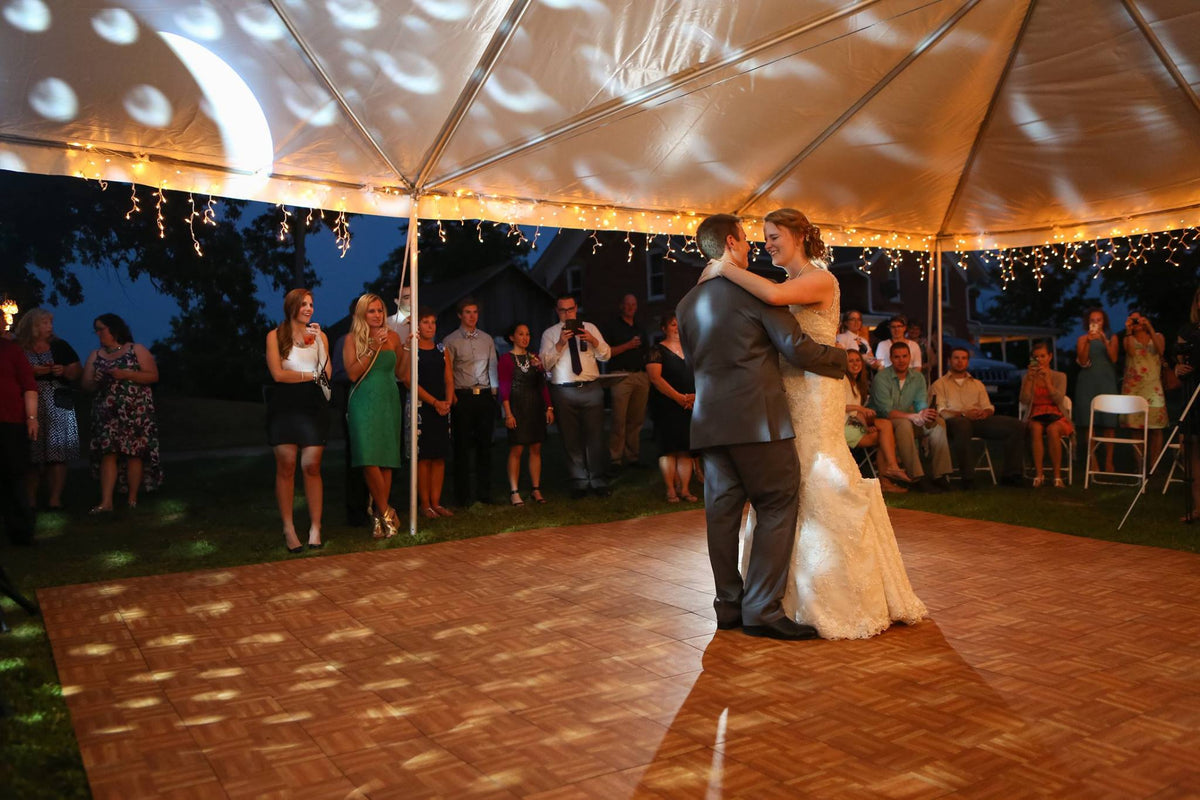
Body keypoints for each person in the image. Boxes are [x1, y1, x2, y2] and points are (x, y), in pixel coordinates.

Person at [698, 209, 927, 640]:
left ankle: (833, 593)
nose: (766, 244)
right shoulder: (782, 285)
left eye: (773, 236)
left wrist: (721, 269)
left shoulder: (821, 278)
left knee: (818, 475)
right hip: (783, 393)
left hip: (816, 390)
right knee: (787, 487)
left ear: (800, 235)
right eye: (761, 237)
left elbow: (768, 297)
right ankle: (781, 595)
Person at [264, 290, 330, 552]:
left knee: (312, 465)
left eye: (311, 304)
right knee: (287, 464)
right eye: (303, 304)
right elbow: (279, 375)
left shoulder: (319, 336)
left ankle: (316, 527)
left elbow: (326, 374)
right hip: (284, 406)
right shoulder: (275, 336)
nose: (308, 308)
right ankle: (289, 528)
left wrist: (320, 345)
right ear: (291, 306)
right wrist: (310, 376)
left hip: (313, 406)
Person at [81, 313, 163, 515]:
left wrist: (126, 374)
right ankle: (106, 501)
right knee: (108, 452)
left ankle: (132, 498)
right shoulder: (96, 355)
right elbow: (86, 385)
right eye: (96, 329)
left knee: (134, 452)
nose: (98, 333)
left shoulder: (136, 350)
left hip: (134, 410)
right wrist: (96, 380)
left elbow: (153, 375)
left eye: (101, 328)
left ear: (113, 329)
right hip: (107, 412)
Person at [540, 294, 613, 498]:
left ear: (576, 308)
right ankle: (579, 481)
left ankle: (597, 480)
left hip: (591, 387)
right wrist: (560, 344)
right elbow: (544, 363)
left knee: (595, 436)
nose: (567, 313)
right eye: (563, 310)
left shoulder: (589, 327)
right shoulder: (550, 334)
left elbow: (606, 354)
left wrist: (594, 341)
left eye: (570, 309)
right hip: (564, 390)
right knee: (570, 437)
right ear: (557, 311)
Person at [344, 293, 404, 538]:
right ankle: (387, 511)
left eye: (380, 310)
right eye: (372, 311)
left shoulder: (394, 337)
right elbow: (352, 374)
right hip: (363, 400)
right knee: (368, 457)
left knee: (386, 458)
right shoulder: (351, 339)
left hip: (388, 398)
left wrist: (409, 346)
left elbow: (400, 370)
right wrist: (372, 347)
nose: (377, 315)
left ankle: (380, 519)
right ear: (362, 314)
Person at [930, 346, 1026, 488]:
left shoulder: (977, 384)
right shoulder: (940, 384)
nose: (960, 361)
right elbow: (941, 411)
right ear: (950, 361)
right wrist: (963, 413)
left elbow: (988, 405)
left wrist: (986, 412)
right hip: (953, 422)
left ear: (968, 362)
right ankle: (968, 478)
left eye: (964, 358)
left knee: (1016, 425)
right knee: (962, 425)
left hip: (978, 420)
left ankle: (1012, 475)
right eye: (956, 358)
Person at [14, 309, 80, 510]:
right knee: (32, 454)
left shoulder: (60, 346)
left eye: (50, 323)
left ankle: (55, 499)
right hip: (29, 402)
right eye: (44, 323)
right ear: (32, 326)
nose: (49, 327)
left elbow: (77, 370)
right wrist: (30, 372)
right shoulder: (18, 348)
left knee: (57, 453)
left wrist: (64, 370)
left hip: (58, 402)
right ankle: (30, 500)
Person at [870, 341, 953, 493]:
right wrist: (913, 416)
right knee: (904, 424)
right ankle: (916, 477)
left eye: (904, 356)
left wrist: (924, 413)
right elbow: (886, 411)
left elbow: (920, 402)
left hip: (907, 417)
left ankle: (940, 475)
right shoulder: (881, 378)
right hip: (883, 421)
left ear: (909, 357)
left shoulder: (917, 377)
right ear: (891, 358)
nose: (901, 360)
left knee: (937, 423)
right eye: (897, 357)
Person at [443, 297, 499, 507]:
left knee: (485, 446)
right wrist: (452, 396)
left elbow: (492, 365)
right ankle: (462, 496)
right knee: (462, 447)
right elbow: (448, 370)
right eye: (467, 312)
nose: (472, 316)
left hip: (483, 395)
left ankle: (485, 493)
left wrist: (493, 392)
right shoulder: (450, 341)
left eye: (475, 312)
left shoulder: (487, 339)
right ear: (460, 315)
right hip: (463, 396)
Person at [402, 308, 454, 518]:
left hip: (442, 407)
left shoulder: (442, 350)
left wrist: (448, 402)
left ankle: (436, 501)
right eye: (425, 322)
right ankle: (425, 504)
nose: (430, 326)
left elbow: (448, 378)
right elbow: (408, 381)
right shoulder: (412, 350)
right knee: (423, 457)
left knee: (439, 456)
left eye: (433, 322)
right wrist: (434, 402)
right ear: (417, 325)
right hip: (423, 408)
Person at [498, 322, 553, 506]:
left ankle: (536, 489)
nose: (525, 337)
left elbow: (542, 385)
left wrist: (549, 407)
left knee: (536, 448)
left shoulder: (534, 357)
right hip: (517, 406)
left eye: (528, 334)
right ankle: (514, 491)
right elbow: (504, 387)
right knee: (517, 448)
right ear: (512, 337)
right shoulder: (506, 359)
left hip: (535, 406)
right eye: (521, 334)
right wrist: (508, 413)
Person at [646, 311, 697, 503]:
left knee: (686, 448)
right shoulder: (656, 350)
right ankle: (670, 490)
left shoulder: (690, 349)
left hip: (689, 405)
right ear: (664, 328)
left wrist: (692, 397)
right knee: (669, 448)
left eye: (679, 324)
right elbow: (655, 378)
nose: (677, 329)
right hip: (666, 405)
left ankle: (684, 489)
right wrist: (678, 397)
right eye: (673, 325)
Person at [843, 348, 911, 492]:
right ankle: (892, 468)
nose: (855, 364)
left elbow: (857, 414)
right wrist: (861, 409)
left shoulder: (856, 384)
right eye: (851, 361)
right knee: (886, 426)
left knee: (884, 437)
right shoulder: (842, 380)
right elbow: (838, 406)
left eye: (857, 360)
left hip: (854, 425)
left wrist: (866, 426)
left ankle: (885, 481)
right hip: (843, 428)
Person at [332, 299, 370, 528]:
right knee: (357, 458)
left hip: (378, 401)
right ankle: (356, 511)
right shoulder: (345, 342)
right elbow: (339, 374)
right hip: (355, 401)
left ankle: (378, 504)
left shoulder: (383, 340)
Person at [604, 294, 651, 469]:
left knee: (636, 420)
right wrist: (627, 346)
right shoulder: (612, 327)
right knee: (619, 419)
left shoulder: (640, 327)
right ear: (621, 306)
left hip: (640, 375)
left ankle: (633, 457)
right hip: (620, 376)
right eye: (627, 304)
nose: (631, 307)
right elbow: (606, 353)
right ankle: (615, 458)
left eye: (634, 304)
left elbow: (646, 351)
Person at [0, 333, 37, 545]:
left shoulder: (10, 350)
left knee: (13, 476)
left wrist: (32, 418)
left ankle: (21, 532)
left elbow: (28, 385)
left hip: (10, 421)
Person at [1021, 341, 1072, 488]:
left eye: (1043, 356)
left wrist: (1047, 381)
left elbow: (1058, 399)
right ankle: (1039, 475)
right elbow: (1024, 400)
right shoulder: (1027, 377)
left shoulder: (1060, 376)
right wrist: (1030, 380)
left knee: (1053, 429)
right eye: (1036, 357)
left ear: (1049, 357)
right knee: (1036, 428)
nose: (1040, 360)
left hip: (1056, 414)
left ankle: (1057, 476)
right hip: (1036, 414)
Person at [1074, 308, 1119, 473]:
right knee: (1088, 424)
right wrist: (1087, 341)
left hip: (1106, 382)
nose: (1095, 323)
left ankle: (1109, 462)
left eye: (1098, 320)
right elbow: (1083, 359)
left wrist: (1104, 341)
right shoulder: (1081, 339)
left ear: (1104, 321)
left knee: (1109, 424)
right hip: (1087, 383)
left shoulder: (1112, 337)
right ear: (1088, 322)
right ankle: (1092, 461)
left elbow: (1114, 358)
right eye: (1093, 320)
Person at [1121, 310, 1167, 465]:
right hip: (1133, 388)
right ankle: (1139, 465)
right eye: (1133, 320)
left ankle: (1154, 466)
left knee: (1156, 428)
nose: (1136, 322)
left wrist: (1150, 327)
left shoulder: (1158, 336)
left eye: (1138, 319)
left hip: (1153, 387)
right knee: (1135, 429)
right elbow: (1131, 353)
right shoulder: (1128, 339)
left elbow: (1161, 350)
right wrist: (1128, 330)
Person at [1173, 288, 1200, 521]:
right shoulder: (1187, 331)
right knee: (1192, 449)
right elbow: (1179, 363)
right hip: (1193, 392)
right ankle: (1197, 507)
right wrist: (1178, 369)